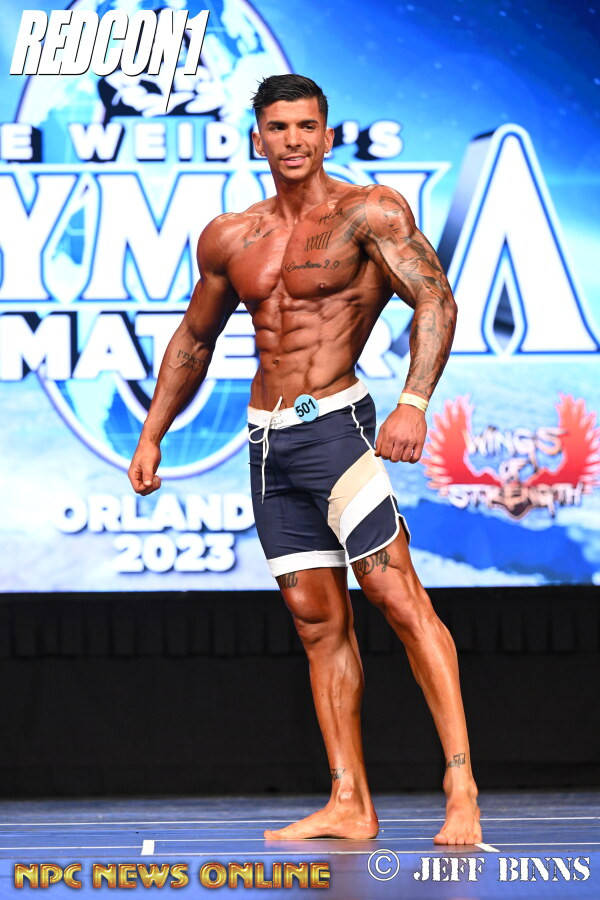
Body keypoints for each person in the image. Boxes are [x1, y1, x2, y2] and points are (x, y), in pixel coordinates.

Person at [128, 74, 482, 844]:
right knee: (317, 622)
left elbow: (435, 298)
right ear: (258, 137)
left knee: (396, 598)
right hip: (268, 446)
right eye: (278, 127)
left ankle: (460, 784)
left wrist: (414, 402)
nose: (292, 140)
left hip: (337, 430)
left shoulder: (369, 211)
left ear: (326, 134)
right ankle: (349, 800)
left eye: (306, 126)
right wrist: (154, 431)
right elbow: (195, 338)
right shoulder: (231, 236)